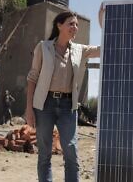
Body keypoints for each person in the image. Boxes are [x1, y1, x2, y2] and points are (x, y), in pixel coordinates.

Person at [26, 10, 100, 182]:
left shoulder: (79, 50)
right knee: (44, 154)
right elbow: (32, 78)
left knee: (71, 151)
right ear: (59, 25)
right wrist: (29, 109)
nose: (75, 27)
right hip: (44, 105)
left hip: (68, 106)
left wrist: (104, 22)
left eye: (77, 25)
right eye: (71, 24)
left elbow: (101, 50)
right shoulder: (43, 47)